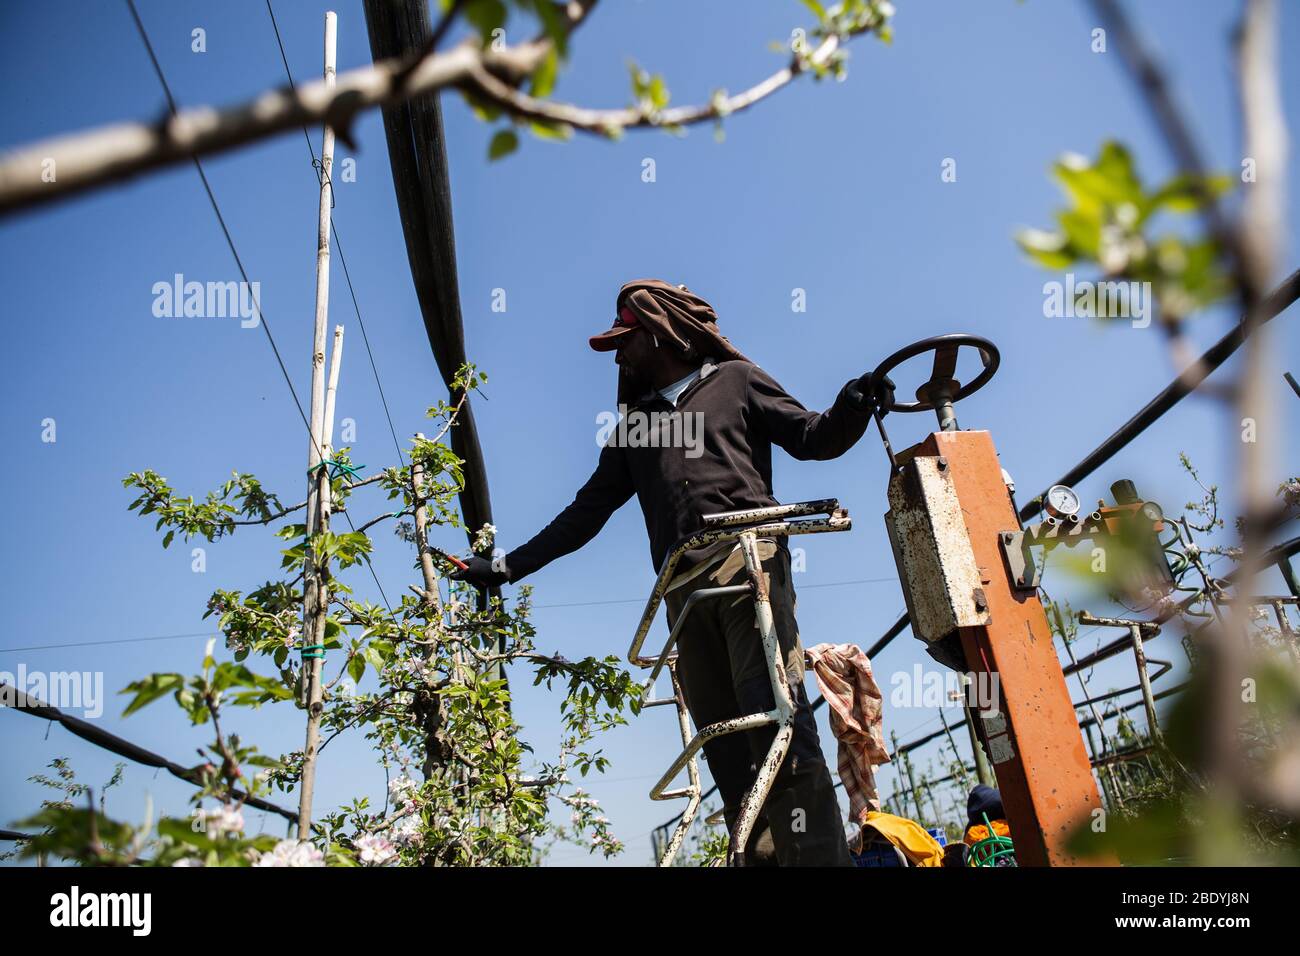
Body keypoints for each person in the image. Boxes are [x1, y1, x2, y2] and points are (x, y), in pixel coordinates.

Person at [452, 279, 891, 865]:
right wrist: (505, 567)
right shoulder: (638, 426)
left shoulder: (737, 382)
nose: (618, 355)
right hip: (682, 591)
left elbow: (814, 437)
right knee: (726, 743)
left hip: (747, 566)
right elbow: (586, 512)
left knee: (777, 723)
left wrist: (854, 404)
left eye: (624, 340)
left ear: (660, 331)